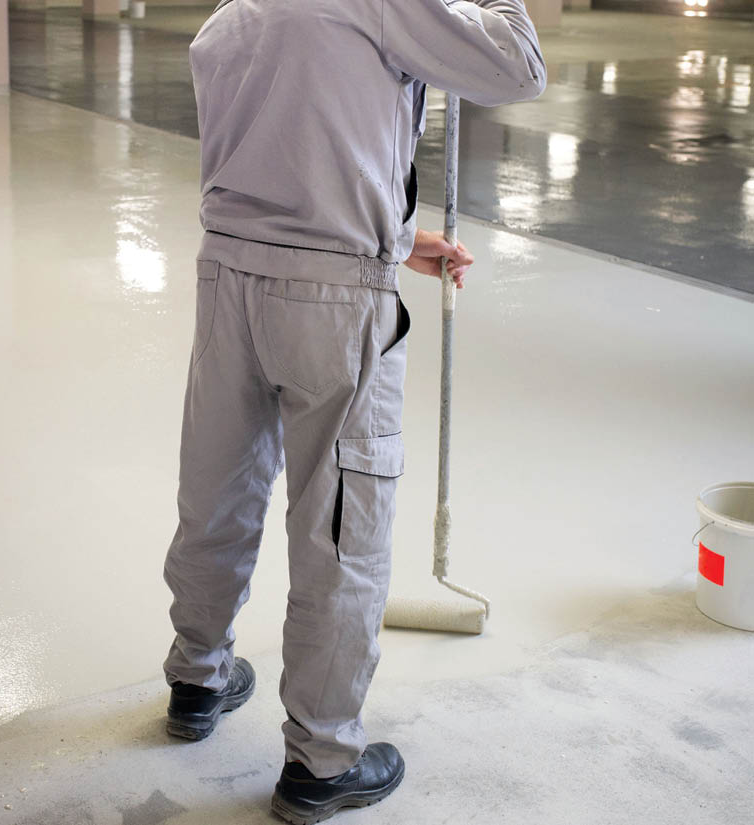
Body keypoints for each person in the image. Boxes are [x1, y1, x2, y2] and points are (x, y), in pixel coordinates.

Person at [161, 0, 546, 820]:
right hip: (334, 310)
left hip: (228, 283)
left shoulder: (233, 17)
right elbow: (517, 67)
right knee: (342, 524)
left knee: (218, 489)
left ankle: (197, 677)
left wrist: (401, 239)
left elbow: (290, 145)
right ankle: (322, 759)